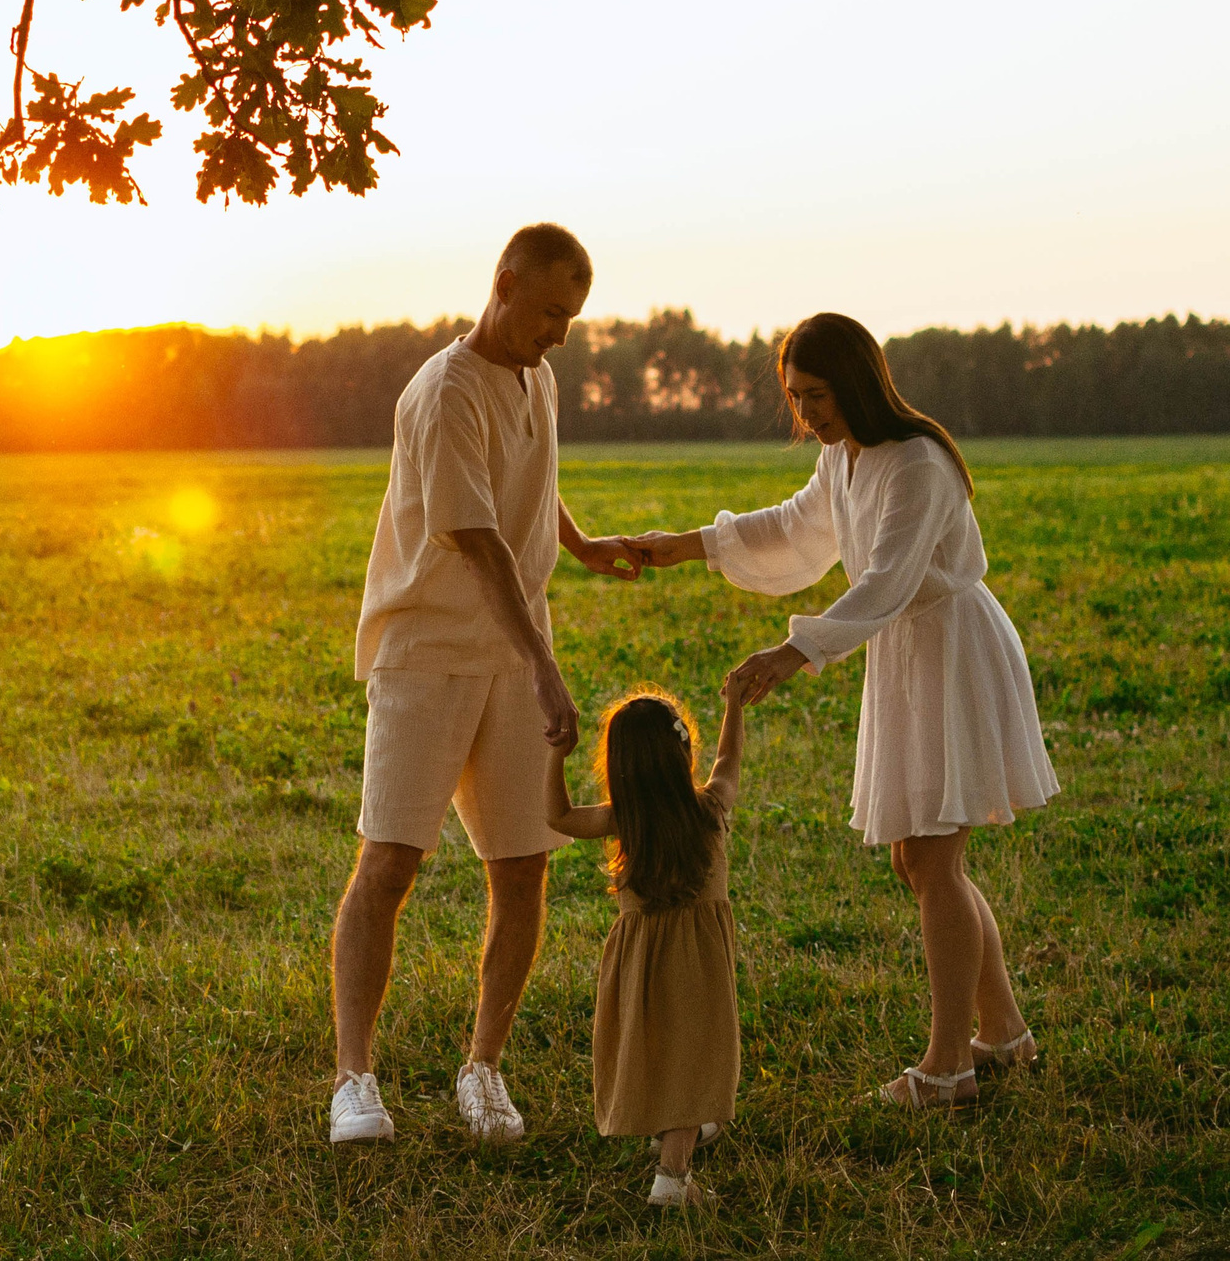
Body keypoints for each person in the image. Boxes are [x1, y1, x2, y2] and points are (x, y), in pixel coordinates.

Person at [623, 312, 1059, 1109]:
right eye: (795, 397)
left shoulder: (918, 462)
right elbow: (795, 529)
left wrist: (795, 652)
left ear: (858, 380)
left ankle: (947, 1066)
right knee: (922, 862)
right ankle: (1004, 1033)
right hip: (903, 654)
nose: (807, 413)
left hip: (950, 649)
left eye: (817, 394)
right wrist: (685, 543)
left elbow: (888, 580)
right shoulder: (843, 457)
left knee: (932, 863)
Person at [329, 222, 642, 1146]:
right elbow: (476, 536)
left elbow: (525, 482)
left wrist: (578, 544)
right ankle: (355, 1080)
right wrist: (545, 668)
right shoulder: (443, 392)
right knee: (390, 862)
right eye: (551, 311)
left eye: (573, 317)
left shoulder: (534, 375)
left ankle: (484, 1070)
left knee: (524, 865)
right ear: (503, 284)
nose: (562, 333)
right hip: (428, 651)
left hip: (514, 647)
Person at [544, 683, 747, 1210]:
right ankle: (672, 1180)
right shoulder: (710, 808)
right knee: (695, 1062)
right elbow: (728, 761)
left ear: (619, 765)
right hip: (699, 967)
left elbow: (559, 817)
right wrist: (733, 707)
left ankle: (679, 1131)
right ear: (683, 752)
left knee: (661, 1051)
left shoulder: (622, 819)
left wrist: (555, 757)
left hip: (642, 965)